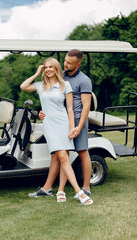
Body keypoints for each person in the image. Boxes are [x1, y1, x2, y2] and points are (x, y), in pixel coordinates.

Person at [20, 57, 93, 205]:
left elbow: (70, 109)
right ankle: (79, 192)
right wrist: (36, 72)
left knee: (62, 157)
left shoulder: (65, 85)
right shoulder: (40, 85)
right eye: (46, 67)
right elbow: (23, 86)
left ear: (56, 69)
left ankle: (60, 190)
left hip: (63, 124)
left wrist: (73, 128)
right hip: (49, 125)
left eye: (50, 67)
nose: (48, 70)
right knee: (63, 158)